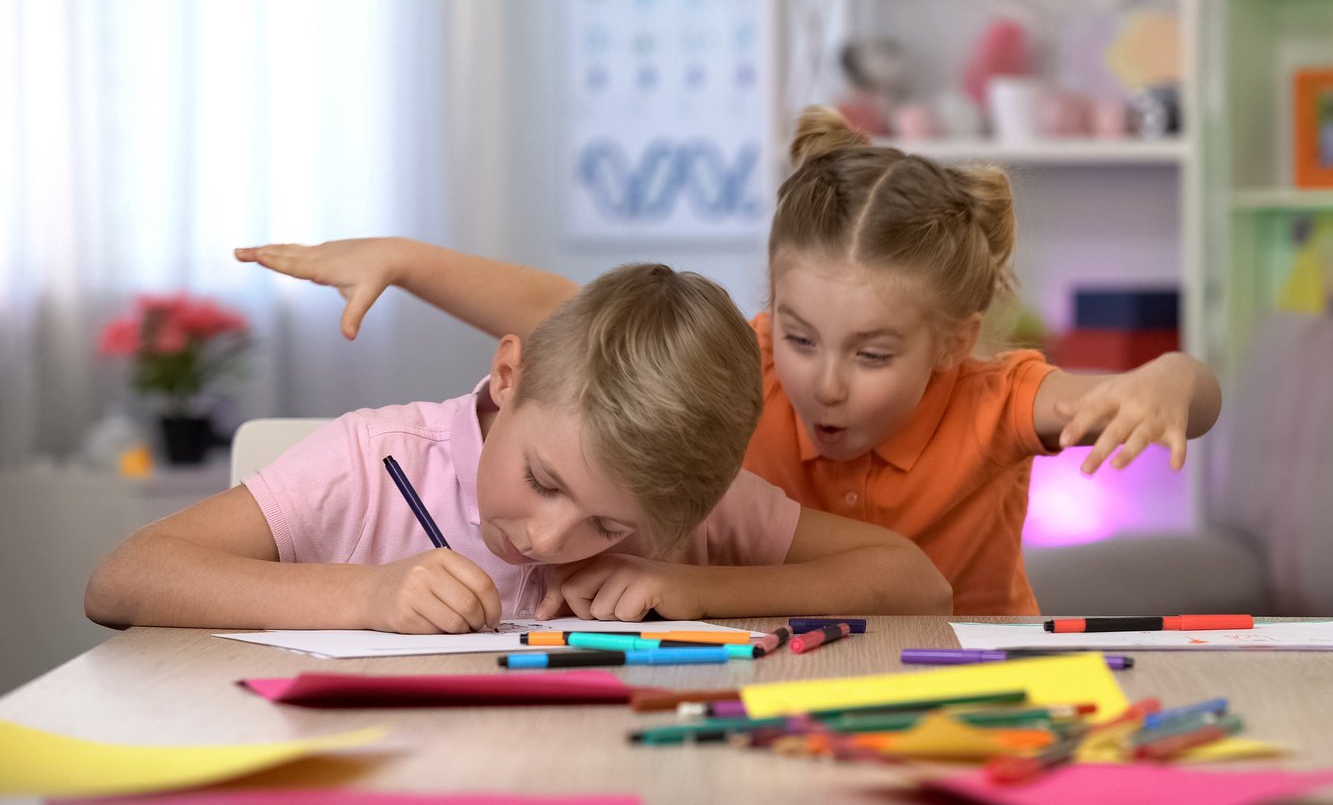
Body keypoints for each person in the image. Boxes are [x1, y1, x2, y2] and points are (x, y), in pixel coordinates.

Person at [233, 106, 1221, 615]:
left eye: (872, 353)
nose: (822, 381)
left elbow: (1177, 391)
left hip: (960, 667)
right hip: (776, 675)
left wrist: (1171, 382)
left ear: (953, 343)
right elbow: (569, 317)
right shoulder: (742, 369)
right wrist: (405, 262)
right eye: (797, 337)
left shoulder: (996, 395)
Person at [84, 263, 952, 633]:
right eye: (542, 479)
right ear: (509, 375)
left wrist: (693, 583)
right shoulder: (374, 462)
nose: (549, 539)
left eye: (608, 527)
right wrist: (366, 595)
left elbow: (917, 580)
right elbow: (122, 579)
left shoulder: (684, 494)